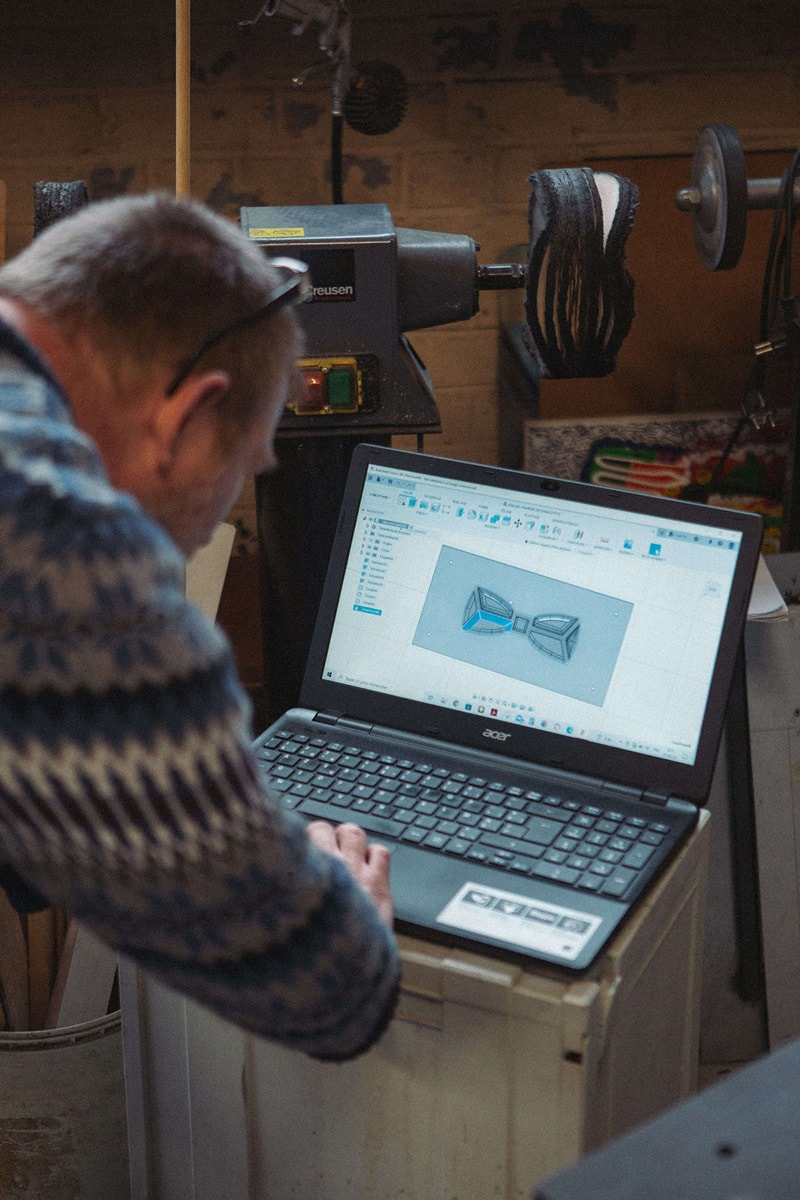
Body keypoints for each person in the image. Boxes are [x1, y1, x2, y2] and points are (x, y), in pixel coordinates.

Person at [0, 191, 399, 1060]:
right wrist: (338, 899)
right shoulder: (58, 539)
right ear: (184, 420)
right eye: (241, 469)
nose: (206, 529)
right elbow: (327, 995)